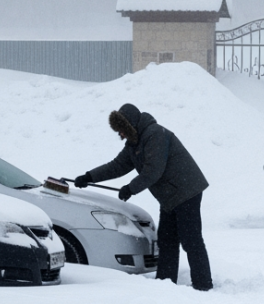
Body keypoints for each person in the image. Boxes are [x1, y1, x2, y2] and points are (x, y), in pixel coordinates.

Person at [74, 103, 212, 291]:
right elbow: (117, 166)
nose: (120, 134)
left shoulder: (155, 135)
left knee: (190, 239)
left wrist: (130, 188)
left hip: (186, 191)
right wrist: (89, 177)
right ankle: (166, 283)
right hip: (170, 196)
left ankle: (203, 284)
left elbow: (153, 171)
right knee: (167, 240)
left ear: (129, 125)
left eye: (121, 129)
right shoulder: (134, 143)